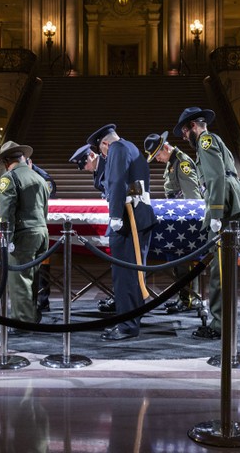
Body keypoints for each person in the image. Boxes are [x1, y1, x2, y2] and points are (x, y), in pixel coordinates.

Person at [173, 107, 240, 340]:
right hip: (232, 203)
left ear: (192, 127)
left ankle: (220, 325)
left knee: (220, 271)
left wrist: (216, 214)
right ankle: (223, 319)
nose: (185, 137)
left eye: (185, 132)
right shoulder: (212, 140)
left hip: (226, 208)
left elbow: (216, 177)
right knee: (223, 268)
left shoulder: (205, 141)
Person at [86, 124, 156, 340]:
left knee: (124, 276)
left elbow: (117, 182)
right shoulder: (131, 147)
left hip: (127, 220)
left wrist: (115, 215)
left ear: (105, 143)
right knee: (134, 275)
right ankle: (132, 319)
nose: (104, 156)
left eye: (102, 151)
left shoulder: (116, 149)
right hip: (140, 217)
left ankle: (127, 326)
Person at [143, 131, 203, 314]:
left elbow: (192, 197)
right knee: (179, 264)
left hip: (186, 220)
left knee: (185, 262)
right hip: (179, 220)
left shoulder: (182, 163)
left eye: (158, 155)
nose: (158, 159)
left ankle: (190, 300)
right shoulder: (173, 161)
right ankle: (184, 298)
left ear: (166, 147)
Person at [0, 141, 50, 335]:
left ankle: (22, 322)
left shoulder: (9, 178)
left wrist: (6, 237)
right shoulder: (38, 177)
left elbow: (7, 211)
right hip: (42, 232)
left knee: (19, 280)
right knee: (33, 277)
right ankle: (32, 316)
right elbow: (44, 208)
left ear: (7, 161)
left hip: (22, 234)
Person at [69, 143, 115, 313]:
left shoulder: (108, 164)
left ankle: (120, 298)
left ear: (91, 156)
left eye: (84, 164)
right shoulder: (99, 168)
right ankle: (117, 296)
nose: (84, 169)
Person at [26, 158, 56, 312]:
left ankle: (41, 300)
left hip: (37, 227)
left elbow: (50, 190)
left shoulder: (40, 176)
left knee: (41, 262)